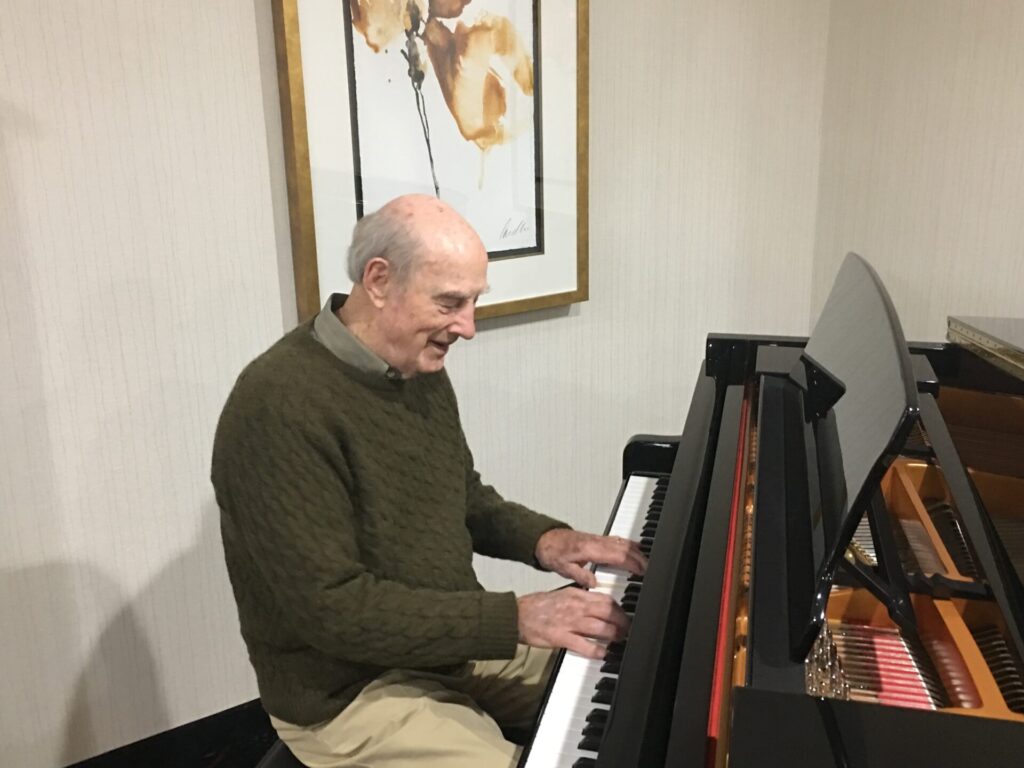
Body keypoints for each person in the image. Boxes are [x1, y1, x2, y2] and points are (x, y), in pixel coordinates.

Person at [211, 194, 646, 768]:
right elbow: (333, 609)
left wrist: (546, 541)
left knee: (639, 667)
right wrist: (516, 617)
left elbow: (462, 496)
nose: (467, 328)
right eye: (450, 302)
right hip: (347, 692)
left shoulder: (414, 366)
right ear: (379, 280)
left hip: (446, 645)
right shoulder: (278, 405)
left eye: (473, 302)